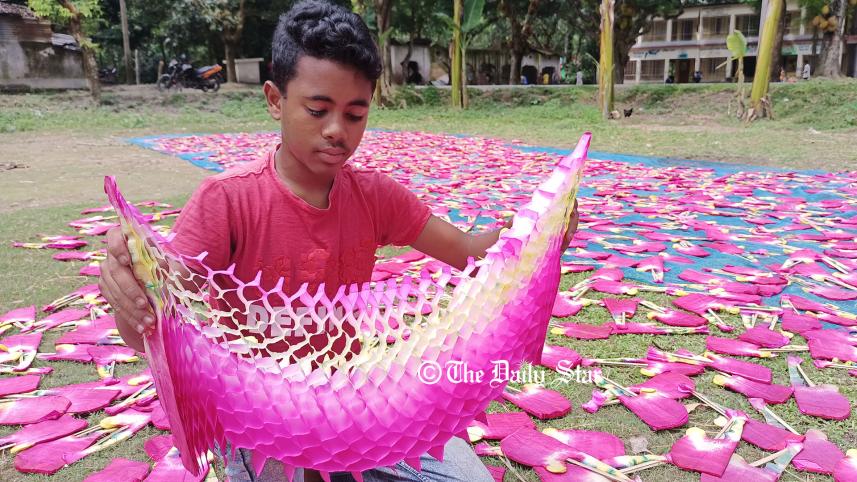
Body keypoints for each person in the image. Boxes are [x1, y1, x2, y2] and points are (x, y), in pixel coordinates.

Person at [99, 2, 580, 482]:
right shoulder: (227, 201)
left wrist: (538, 230)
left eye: (355, 114)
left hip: (353, 404)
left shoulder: (374, 195)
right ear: (274, 99)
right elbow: (156, 318)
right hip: (265, 413)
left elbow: (470, 253)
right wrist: (126, 284)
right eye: (317, 109)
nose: (336, 131)